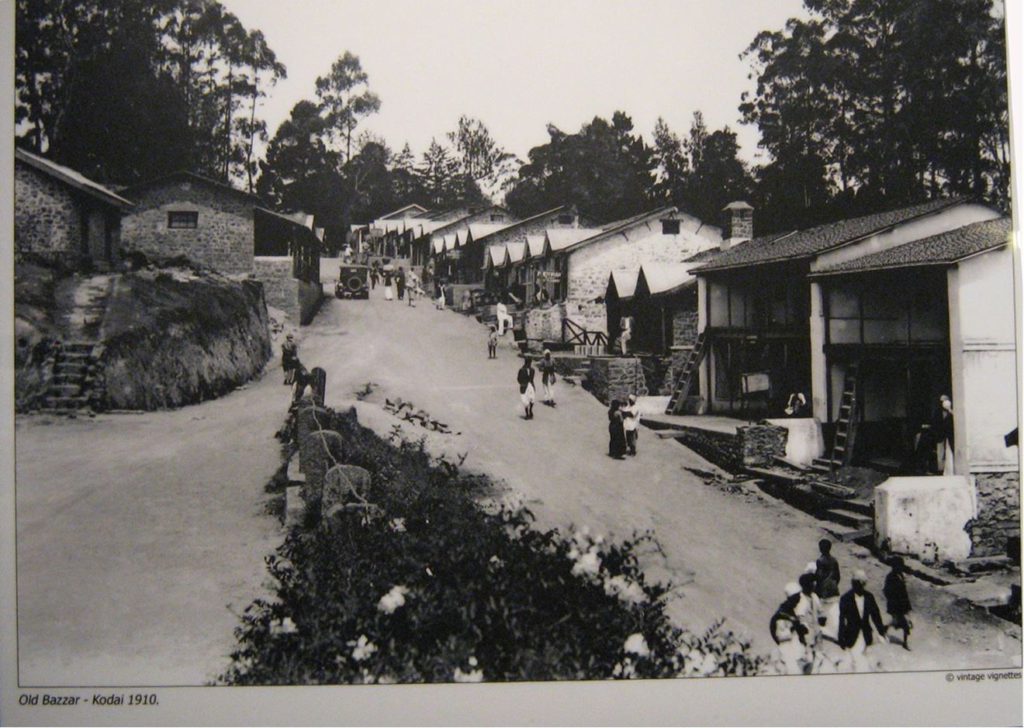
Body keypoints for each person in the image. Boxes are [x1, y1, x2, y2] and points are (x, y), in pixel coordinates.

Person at [837, 569, 887, 672]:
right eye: (854, 583)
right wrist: (841, 637)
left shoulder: (869, 597)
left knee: (863, 660)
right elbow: (842, 619)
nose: (856, 586)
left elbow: (875, 615)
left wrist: (881, 631)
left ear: (863, 584)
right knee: (855, 661)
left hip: (866, 634)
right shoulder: (845, 598)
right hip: (851, 634)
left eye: (859, 584)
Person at [770, 583, 809, 675]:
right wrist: (794, 628)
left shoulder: (791, 610)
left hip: (794, 648)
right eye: (798, 596)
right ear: (793, 597)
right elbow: (781, 636)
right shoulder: (783, 614)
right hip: (788, 651)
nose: (800, 598)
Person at [883, 556, 913, 650]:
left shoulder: (900, 575)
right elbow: (886, 590)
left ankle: (884, 629)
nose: (900, 567)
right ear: (894, 566)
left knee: (898, 622)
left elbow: (903, 591)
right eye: (899, 566)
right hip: (896, 605)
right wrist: (893, 600)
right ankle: (905, 642)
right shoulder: (890, 577)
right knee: (905, 624)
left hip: (902, 604)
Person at [815, 539, 841, 640]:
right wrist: (833, 583)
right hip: (833, 587)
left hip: (823, 589)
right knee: (832, 608)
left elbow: (819, 576)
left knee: (821, 609)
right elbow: (838, 576)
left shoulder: (820, 561)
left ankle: (822, 629)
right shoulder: (834, 560)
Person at [932, 394, 955, 474]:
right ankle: (940, 469)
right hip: (941, 435)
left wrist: (950, 410)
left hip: (950, 435)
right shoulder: (937, 412)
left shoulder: (952, 411)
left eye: (945, 401)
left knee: (950, 452)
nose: (943, 403)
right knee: (940, 452)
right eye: (942, 401)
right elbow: (935, 423)